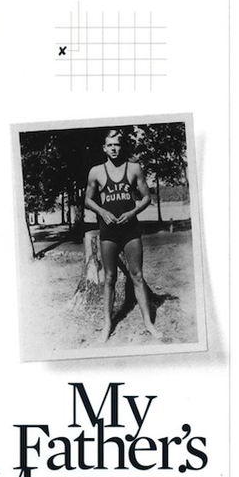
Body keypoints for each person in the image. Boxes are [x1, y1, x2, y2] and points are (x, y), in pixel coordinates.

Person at [84, 128, 162, 342]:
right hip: (108, 230)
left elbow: (146, 197)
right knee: (109, 278)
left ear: (122, 146)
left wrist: (132, 212)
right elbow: (88, 200)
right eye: (109, 145)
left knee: (137, 275)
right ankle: (107, 324)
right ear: (104, 148)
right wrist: (102, 211)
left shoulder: (134, 168)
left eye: (117, 144)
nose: (114, 148)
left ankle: (148, 323)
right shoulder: (96, 172)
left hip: (130, 229)